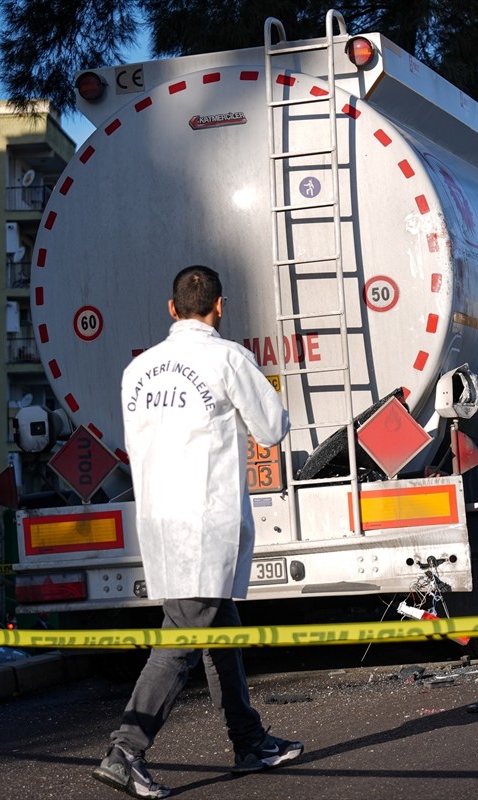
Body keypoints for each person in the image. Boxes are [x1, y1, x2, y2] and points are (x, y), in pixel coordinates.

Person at [93, 266, 300, 798]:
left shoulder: (138, 370)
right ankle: (125, 751)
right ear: (219, 306)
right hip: (205, 520)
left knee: (217, 625)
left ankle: (249, 741)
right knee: (183, 638)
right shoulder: (227, 357)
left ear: (171, 309)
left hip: (159, 519)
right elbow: (272, 429)